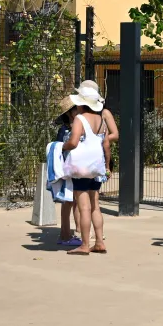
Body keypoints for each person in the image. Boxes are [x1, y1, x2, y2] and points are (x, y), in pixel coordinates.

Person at [63, 85, 111, 256]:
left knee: (83, 207)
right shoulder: (101, 120)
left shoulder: (80, 119)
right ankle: (99, 242)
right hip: (96, 166)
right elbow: (106, 145)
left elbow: (74, 141)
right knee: (95, 206)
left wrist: (63, 146)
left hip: (81, 167)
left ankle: (84, 244)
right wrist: (106, 166)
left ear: (81, 104)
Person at [50, 96, 79, 246]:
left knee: (74, 200)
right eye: (76, 108)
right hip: (68, 169)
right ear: (69, 112)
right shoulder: (64, 130)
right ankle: (65, 235)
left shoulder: (78, 125)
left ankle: (73, 232)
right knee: (67, 201)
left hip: (76, 168)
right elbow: (60, 148)